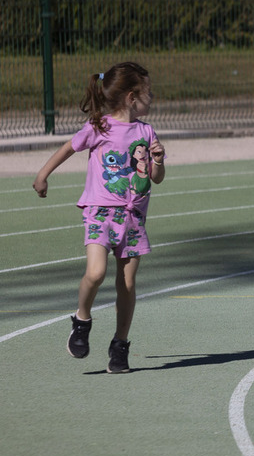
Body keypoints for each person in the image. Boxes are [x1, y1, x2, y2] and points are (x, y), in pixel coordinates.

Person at [32, 61, 166, 373]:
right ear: (132, 97)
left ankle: (120, 345)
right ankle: (82, 318)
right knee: (95, 273)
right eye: (149, 93)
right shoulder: (99, 127)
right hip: (100, 214)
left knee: (127, 284)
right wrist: (43, 174)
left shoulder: (147, 132)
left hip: (133, 218)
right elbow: (69, 148)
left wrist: (157, 160)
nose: (153, 98)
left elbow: (156, 178)